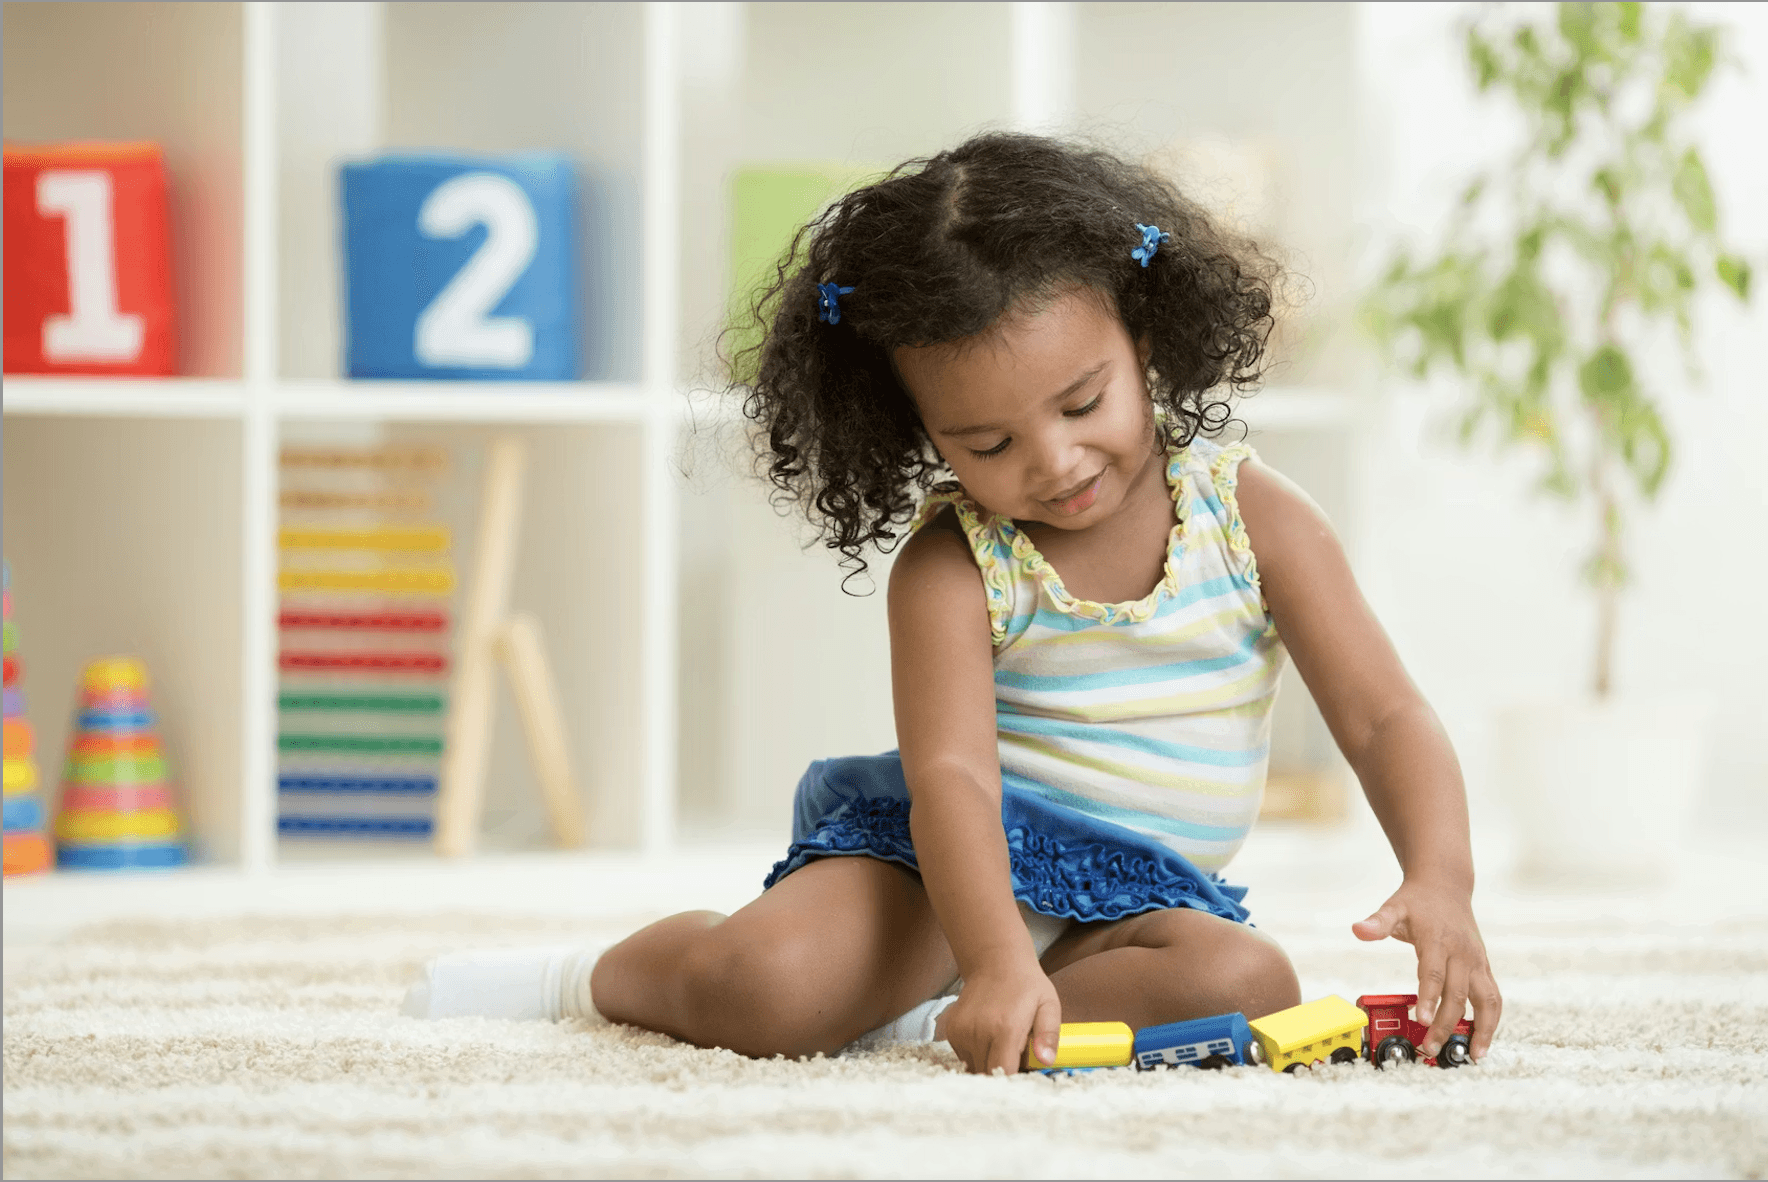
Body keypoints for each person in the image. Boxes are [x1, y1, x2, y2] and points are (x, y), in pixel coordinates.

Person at [404, 132, 1502, 1076]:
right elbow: (955, 781)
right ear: (916, 435)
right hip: (943, 871)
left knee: (1249, 980)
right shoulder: (954, 565)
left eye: (1083, 402)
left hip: (1141, 900)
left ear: (1145, 342)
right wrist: (992, 954)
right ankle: (587, 977)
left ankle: (936, 1023)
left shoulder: (1254, 518)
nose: (1056, 459)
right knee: (767, 992)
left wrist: (1438, 877)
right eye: (987, 443)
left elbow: (1382, 717)